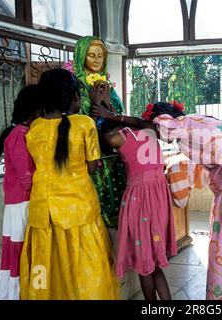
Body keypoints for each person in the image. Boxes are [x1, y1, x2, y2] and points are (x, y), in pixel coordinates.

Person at [92, 100, 222, 300]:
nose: (155, 135)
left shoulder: (178, 126)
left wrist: (111, 116)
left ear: (163, 119)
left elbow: (146, 128)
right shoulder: (193, 122)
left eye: (155, 128)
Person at [19, 69, 119, 300]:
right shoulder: (84, 124)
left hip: (43, 212)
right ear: (75, 96)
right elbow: (93, 167)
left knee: (43, 265)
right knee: (86, 267)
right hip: (79, 210)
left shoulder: (34, 129)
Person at [99, 121, 177, 300]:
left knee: (145, 265)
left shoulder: (118, 138)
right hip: (159, 201)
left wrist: (106, 114)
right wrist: (114, 115)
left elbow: (105, 137)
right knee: (154, 264)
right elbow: (143, 123)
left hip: (140, 202)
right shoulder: (149, 132)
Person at [0, 85, 42, 300]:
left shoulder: (21, 131)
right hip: (22, 202)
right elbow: (26, 176)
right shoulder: (20, 134)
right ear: (35, 109)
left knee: (21, 250)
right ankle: (18, 293)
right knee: (22, 250)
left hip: (20, 201)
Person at [71, 35, 126, 227]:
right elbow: (78, 120)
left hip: (112, 153)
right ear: (81, 56)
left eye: (100, 55)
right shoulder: (76, 86)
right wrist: (97, 104)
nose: (96, 59)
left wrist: (107, 103)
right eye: (91, 55)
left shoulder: (107, 84)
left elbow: (119, 114)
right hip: (91, 157)